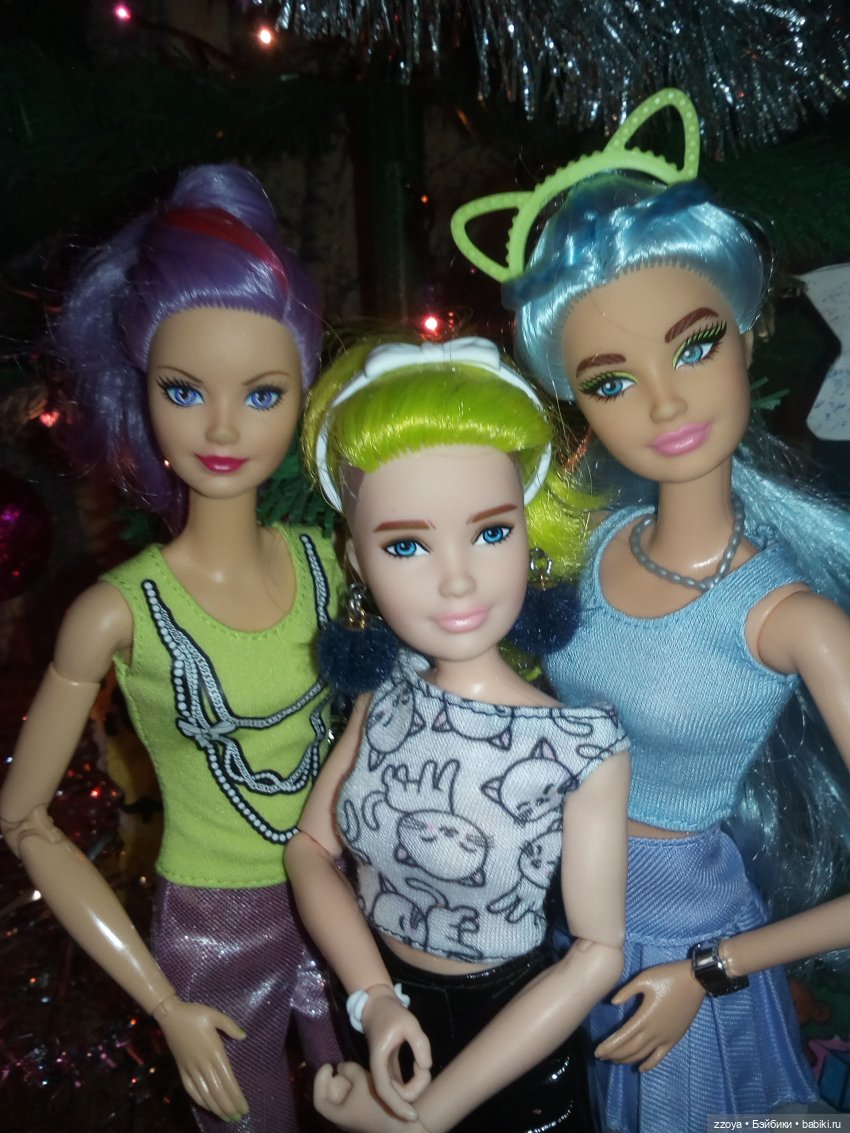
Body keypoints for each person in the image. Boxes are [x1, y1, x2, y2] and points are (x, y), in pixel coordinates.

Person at [452, 89, 850, 1131]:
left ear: (749, 331)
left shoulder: (789, 620)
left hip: (686, 956)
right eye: (610, 381)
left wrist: (712, 969)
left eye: (693, 344)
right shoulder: (585, 548)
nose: (664, 402)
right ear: (573, 399)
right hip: (569, 927)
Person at [0, 164, 344, 1132]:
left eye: (263, 393)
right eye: (184, 390)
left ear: (303, 394)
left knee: (369, 1098)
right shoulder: (118, 613)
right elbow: (24, 817)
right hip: (217, 925)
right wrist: (160, 1001)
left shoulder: (330, 565)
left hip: (344, 898)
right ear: (139, 390)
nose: (223, 428)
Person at [285, 335, 631, 1132]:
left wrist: (427, 1117)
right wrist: (373, 998)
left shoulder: (581, 748)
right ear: (357, 560)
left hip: (511, 1040)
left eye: (492, 531)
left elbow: (594, 954)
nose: (457, 578)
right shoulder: (387, 691)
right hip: (384, 1012)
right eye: (406, 545)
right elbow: (308, 849)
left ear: (530, 535)